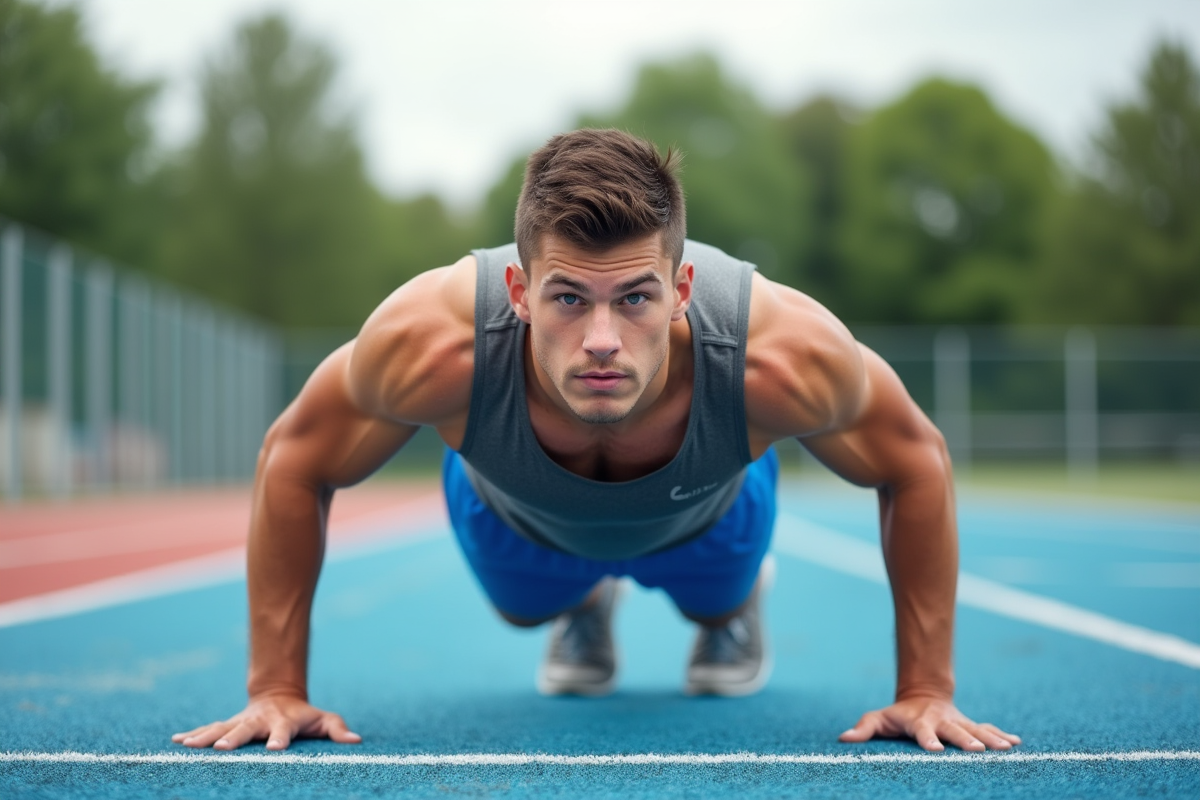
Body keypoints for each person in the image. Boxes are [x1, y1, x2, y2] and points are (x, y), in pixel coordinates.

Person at [172, 128, 1020, 754]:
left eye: (637, 300)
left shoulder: (780, 357)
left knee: (716, 604)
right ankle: (580, 604)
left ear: (684, 288)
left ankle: (733, 604)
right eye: (570, 298)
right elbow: (295, 455)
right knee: (523, 607)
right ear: (518, 288)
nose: (604, 338)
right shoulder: (433, 347)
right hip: (517, 518)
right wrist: (277, 688)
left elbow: (915, 459)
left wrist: (925, 690)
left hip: (706, 517)